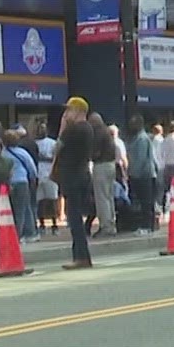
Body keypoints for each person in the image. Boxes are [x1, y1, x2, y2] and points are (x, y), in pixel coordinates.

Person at [53, 99, 95, 270]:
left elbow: (56, 148)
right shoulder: (88, 128)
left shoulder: (73, 129)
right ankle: (79, 254)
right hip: (82, 173)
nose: (66, 114)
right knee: (75, 215)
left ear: (78, 111)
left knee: (74, 217)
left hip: (72, 176)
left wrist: (62, 128)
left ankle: (81, 256)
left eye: (69, 110)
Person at [87, 114, 119, 238]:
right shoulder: (106, 131)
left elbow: (95, 152)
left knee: (101, 198)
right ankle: (111, 224)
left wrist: (89, 155)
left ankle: (105, 227)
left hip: (101, 165)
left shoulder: (98, 133)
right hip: (111, 165)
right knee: (109, 196)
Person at [4, 128, 38, 242]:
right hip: (22, 182)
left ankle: (23, 232)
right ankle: (24, 233)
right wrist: (33, 179)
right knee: (24, 207)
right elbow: (31, 167)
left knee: (15, 209)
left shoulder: (3, 154)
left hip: (8, 183)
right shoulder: (22, 152)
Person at [125, 117, 157, 235]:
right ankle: (149, 225)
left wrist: (133, 174)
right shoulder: (138, 138)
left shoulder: (142, 139)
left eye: (133, 124)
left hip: (144, 175)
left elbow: (141, 159)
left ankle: (147, 226)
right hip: (144, 174)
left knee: (146, 202)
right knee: (146, 201)